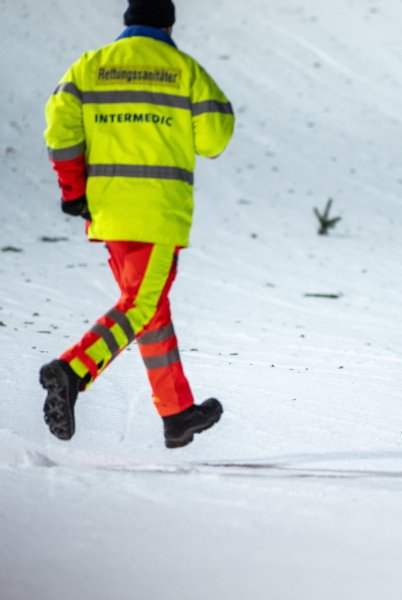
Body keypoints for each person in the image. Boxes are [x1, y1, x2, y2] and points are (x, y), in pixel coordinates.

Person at [41, 0, 235, 448]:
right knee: (141, 306)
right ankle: (73, 371)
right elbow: (215, 137)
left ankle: (176, 413)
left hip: (109, 211)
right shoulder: (182, 69)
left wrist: (73, 191)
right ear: (168, 23)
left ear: (127, 22)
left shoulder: (90, 67)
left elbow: (59, 129)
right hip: (157, 213)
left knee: (149, 308)